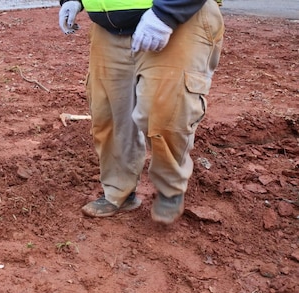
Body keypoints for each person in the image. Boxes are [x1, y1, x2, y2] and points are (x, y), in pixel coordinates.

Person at [58, 0, 224, 224]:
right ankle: (118, 192)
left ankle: (170, 187)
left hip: (179, 19)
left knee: (165, 110)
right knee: (110, 114)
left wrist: (166, 14)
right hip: (108, 26)